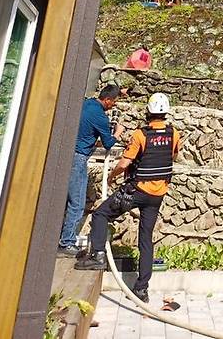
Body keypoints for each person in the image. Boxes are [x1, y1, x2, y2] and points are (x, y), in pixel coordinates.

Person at [75, 92, 181, 303]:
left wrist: (112, 177)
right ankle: (142, 289)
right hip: (157, 194)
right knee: (145, 239)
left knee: (101, 214)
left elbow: (124, 163)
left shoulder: (141, 135)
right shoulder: (174, 133)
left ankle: (97, 255)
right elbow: (173, 156)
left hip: (136, 191)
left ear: (148, 112)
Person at [58, 83, 125, 256]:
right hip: (79, 158)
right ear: (107, 100)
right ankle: (66, 243)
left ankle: (59, 237)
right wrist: (118, 132)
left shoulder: (86, 104)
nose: (114, 105)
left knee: (62, 199)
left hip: (66, 154)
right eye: (114, 102)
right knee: (77, 202)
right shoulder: (100, 117)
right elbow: (108, 143)